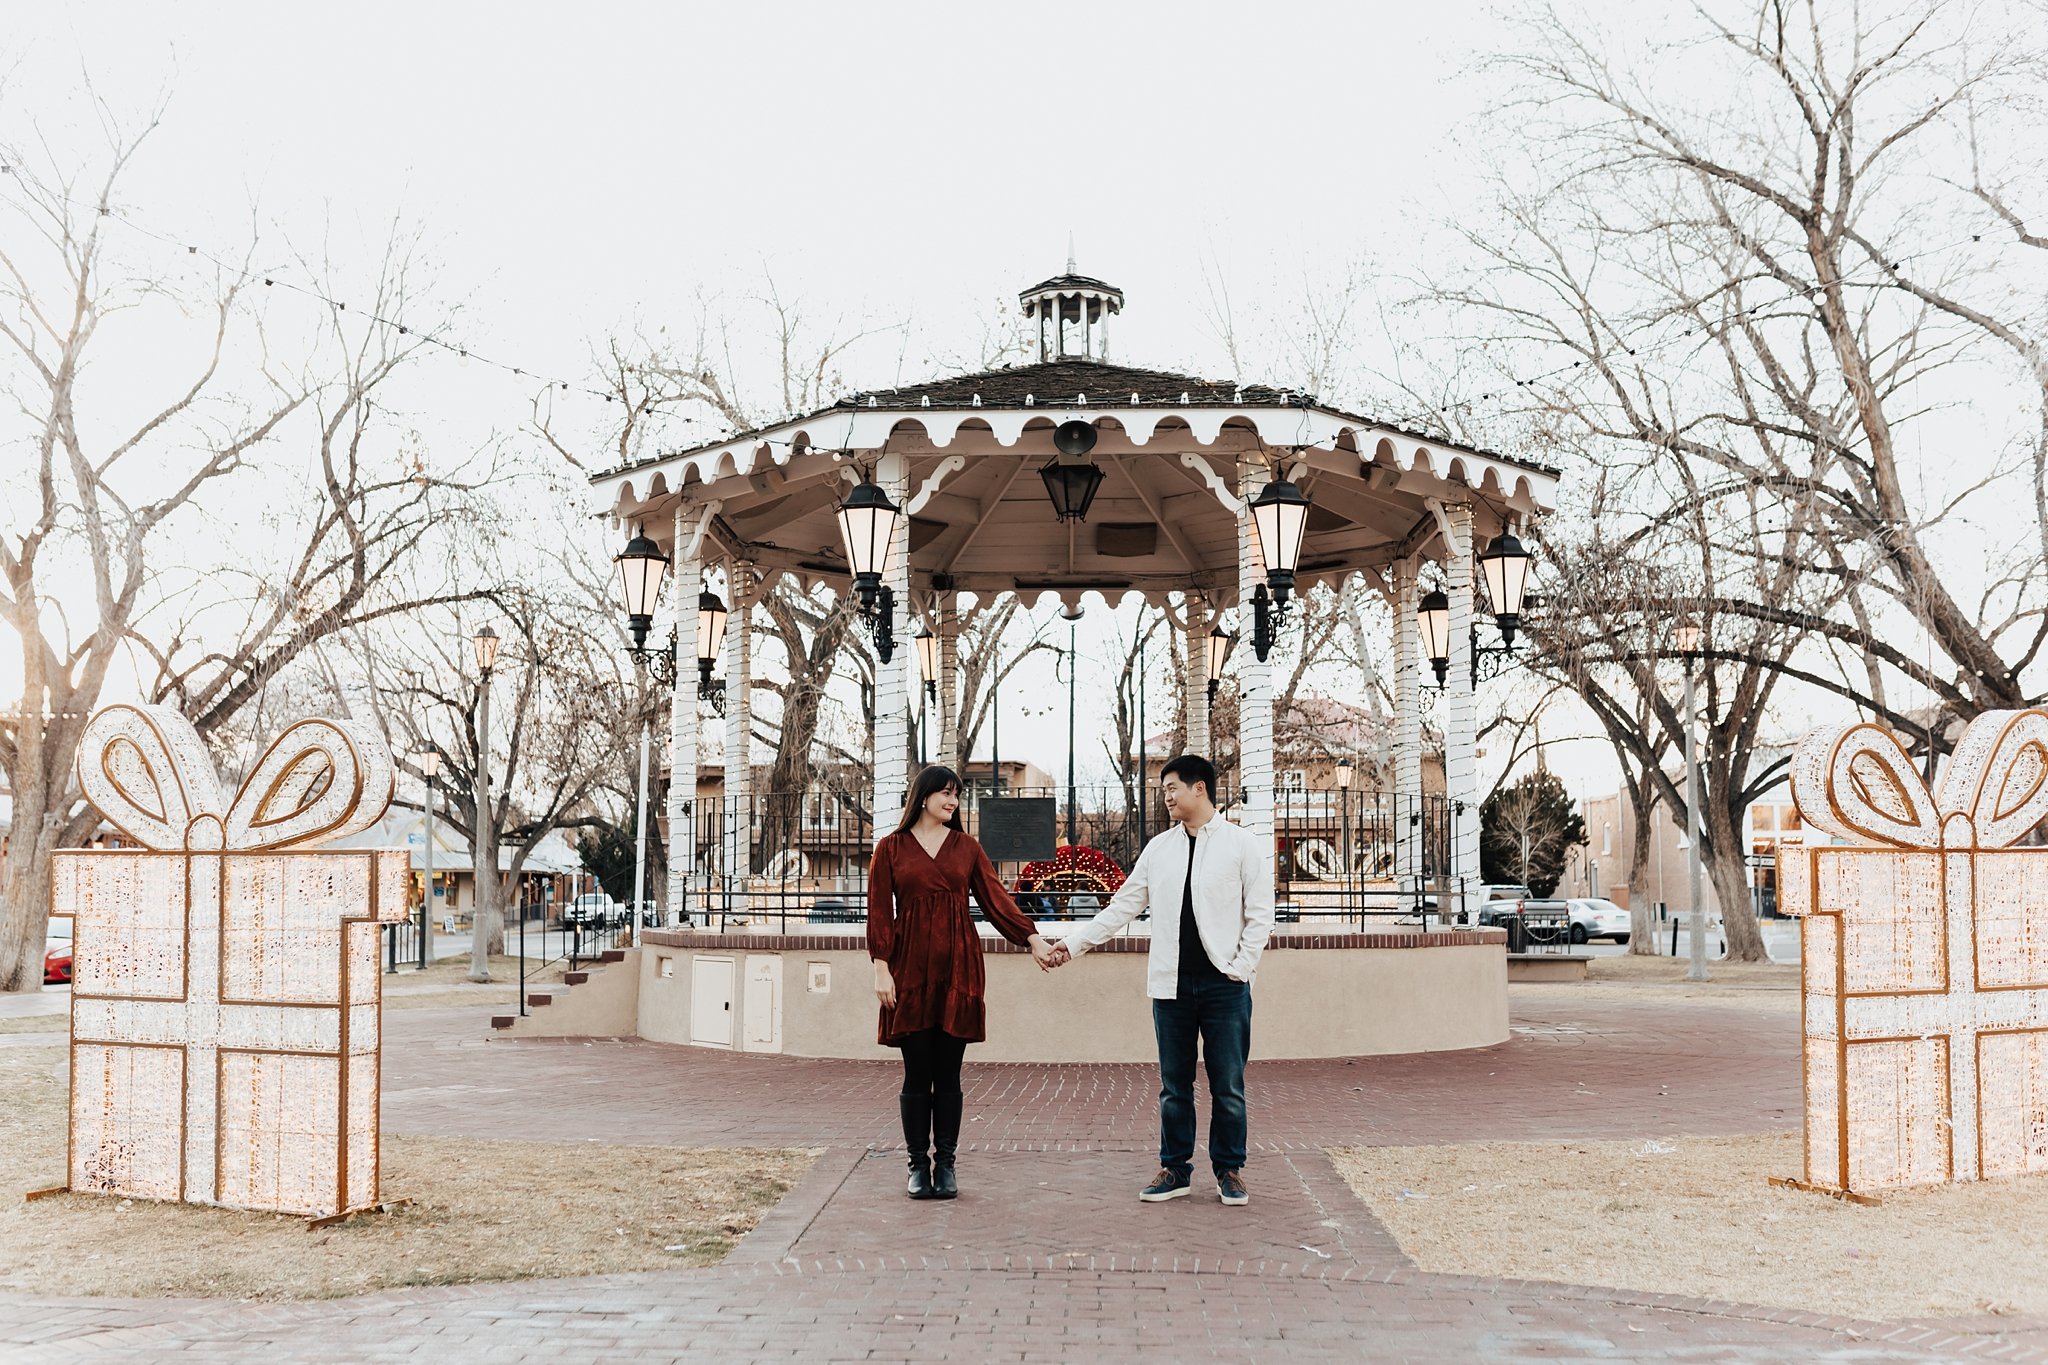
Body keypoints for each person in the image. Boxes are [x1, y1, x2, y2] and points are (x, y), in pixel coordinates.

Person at [1044, 754, 1273, 1206]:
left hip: (1225, 987)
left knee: (1228, 1084)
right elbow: (1121, 908)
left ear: (1199, 789)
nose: (1166, 796)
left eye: (1172, 787)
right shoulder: (1159, 850)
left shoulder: (1241, 846)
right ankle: (1175, 1169)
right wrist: (1072, 945)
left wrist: (1240, 968)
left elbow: (1260, 917)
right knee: (1174, 1086)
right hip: (1170, 988)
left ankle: (1230, 1170)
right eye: (1165, 789)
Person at [868, 765, 1060, 1200]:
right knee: (917, 1073)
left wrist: (1031, 939)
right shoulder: (891, 849)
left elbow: (996, 900)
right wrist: (881, 967)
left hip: (958, 968)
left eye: (956, 794)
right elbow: (879, 911)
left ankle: (947, 1165)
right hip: (909, 970)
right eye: (945, 793)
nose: (953, 801)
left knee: (949, 1074)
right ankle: (918, 1164)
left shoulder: (966, 847)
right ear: (922, 796)